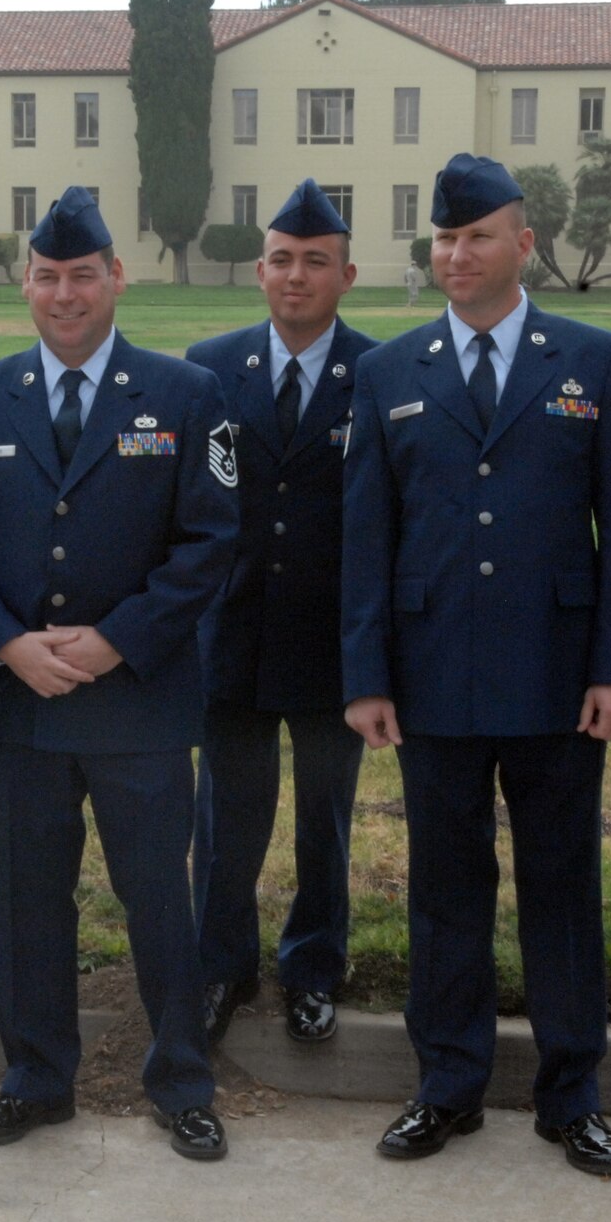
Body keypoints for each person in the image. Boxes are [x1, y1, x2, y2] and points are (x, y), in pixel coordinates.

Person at [340, 153, 611, 1173]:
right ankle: (447, 1084)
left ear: (523, 243)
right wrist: (365, 674)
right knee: (444, 889)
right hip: (430, 674)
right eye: (444, 238)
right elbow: (365, 537)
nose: (456, 254)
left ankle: (572, 1093)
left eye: (477, 236)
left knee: (562, 883)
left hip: (559, 676)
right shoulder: (389, 371)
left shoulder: (594, 360)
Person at [0, 187, 239, 1160]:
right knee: (26, 901)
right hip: (20, 702)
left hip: (138, 699)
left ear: (116, 278)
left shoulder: (185, 394)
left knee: (158, 898)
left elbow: (209, 541)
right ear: (26, 283)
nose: (65, 294)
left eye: (83, 275)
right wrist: (6, 643)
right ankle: (34, 1080)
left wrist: (117, 640)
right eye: (48, 276)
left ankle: (181, 1081)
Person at [186, 179, 375, 1047]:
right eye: (283, 260)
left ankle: (313, 967)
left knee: (324, 817)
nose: (297, 276)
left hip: (333, 636)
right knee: (226, 814)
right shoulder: (209, 365)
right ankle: (221, 965)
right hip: (232, 628)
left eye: (317, 262)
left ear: (347, 275)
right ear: (260, 271)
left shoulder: (378, 372)